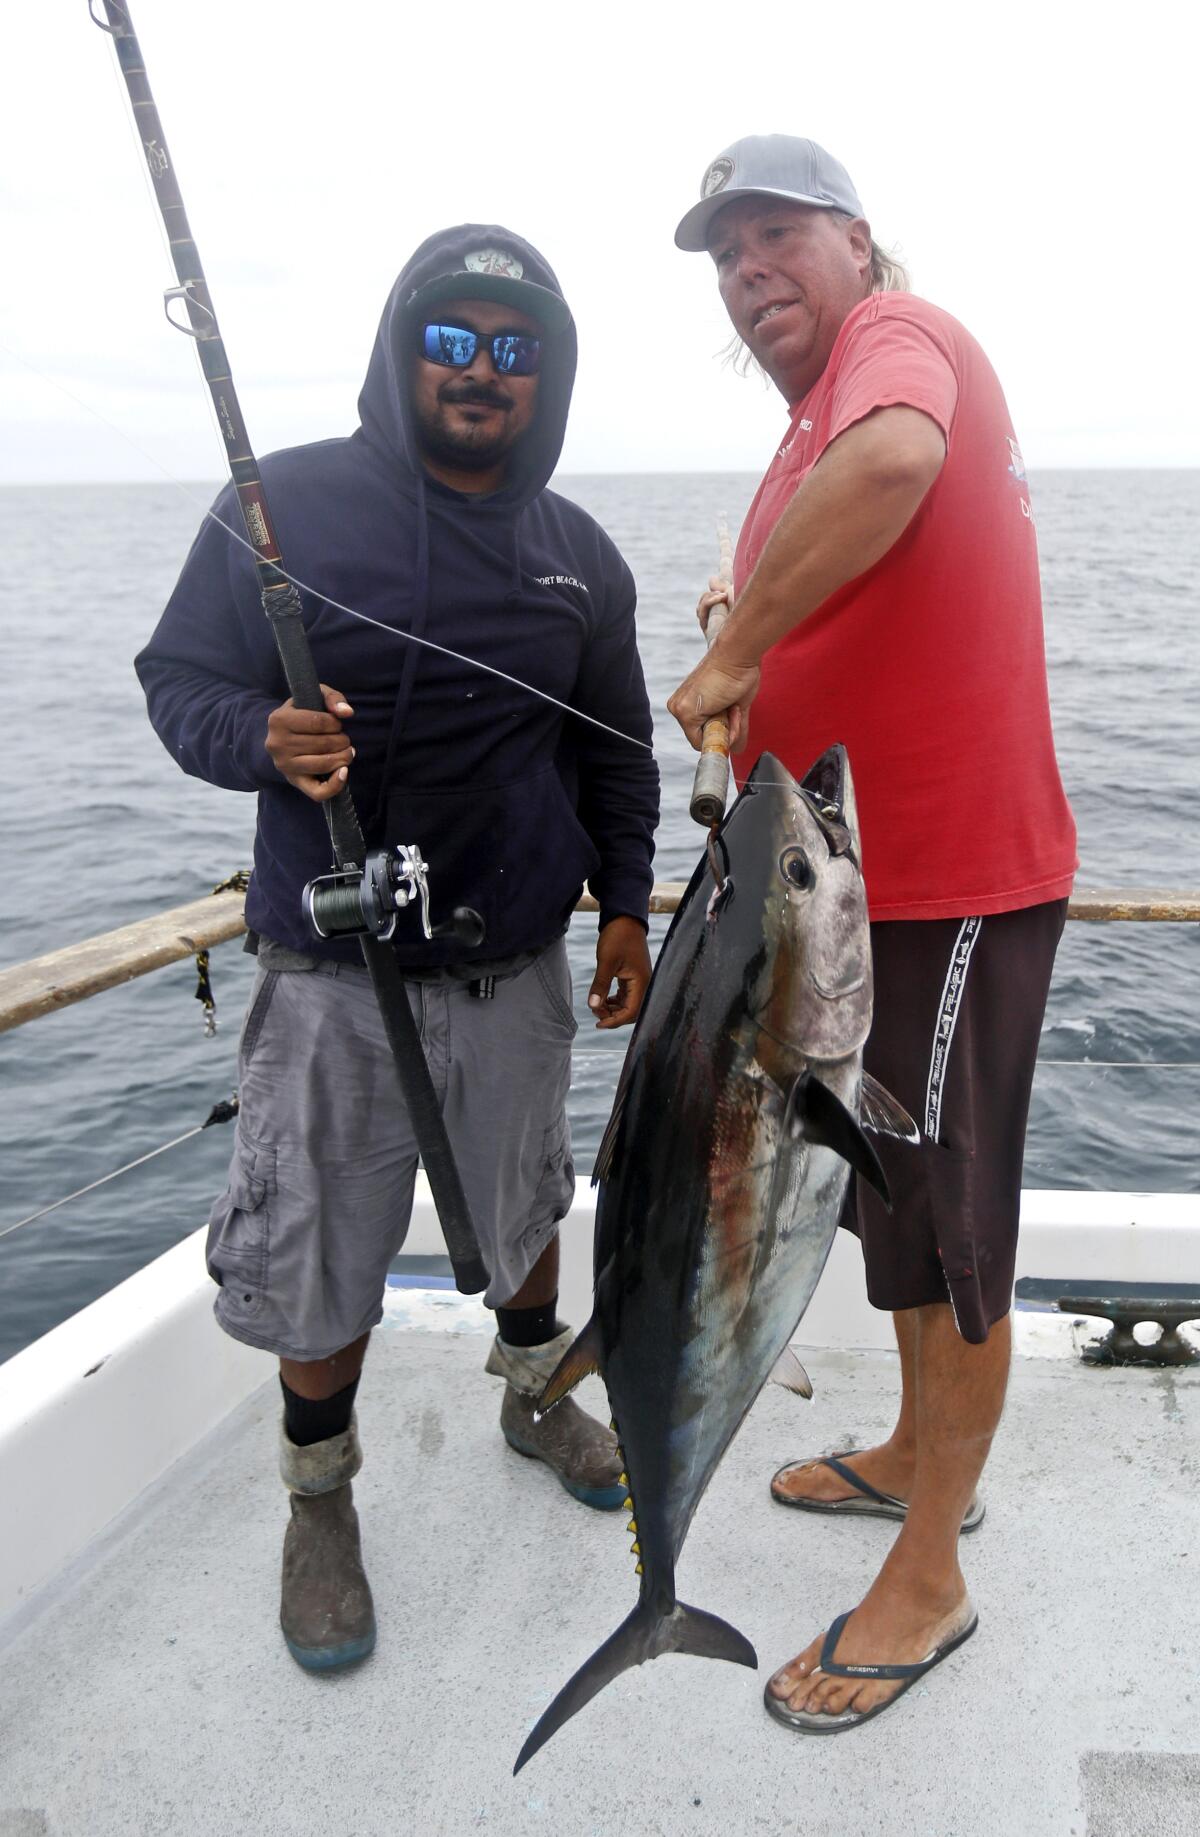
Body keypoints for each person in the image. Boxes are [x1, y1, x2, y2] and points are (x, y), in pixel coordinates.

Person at [137, 225, 659, 1672]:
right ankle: (321, 1500)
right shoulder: (278, 508)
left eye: (513, 348)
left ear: (544, 374)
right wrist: (262, 736)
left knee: (528, 1197)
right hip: (330, 976)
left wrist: (625, 903)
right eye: (452, 340)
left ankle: (535, 1389)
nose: (481, 371)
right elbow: (176, 681)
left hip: (517, 972)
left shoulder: (579, 556)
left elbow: (617, 757)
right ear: (402, 348)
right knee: (320, 1249)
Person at [667, 137, 1077, 1733]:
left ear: (854, 236)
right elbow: (831, 552)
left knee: (952, 1218)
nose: (749, 268)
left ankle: (932, 1572)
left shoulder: (894, 343)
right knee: (890, 1197)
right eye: (723, 252)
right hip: (850, 891)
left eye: (776, 233)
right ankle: (918, 1458)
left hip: (947, 878)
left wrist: (738, 646)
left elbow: (899, 461)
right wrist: (745, 632)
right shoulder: (801, 424)